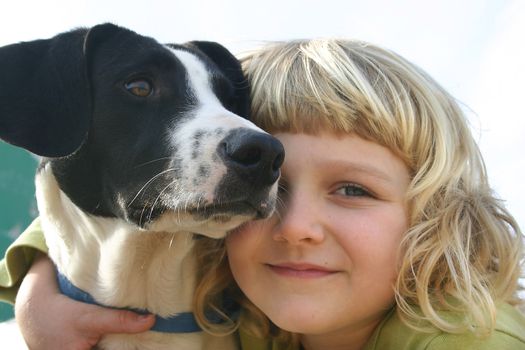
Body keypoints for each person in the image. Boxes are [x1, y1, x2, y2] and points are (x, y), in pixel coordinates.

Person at [1, 38, 525, 349]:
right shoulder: (250, 304)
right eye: (271, 179)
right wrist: (37, 283)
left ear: (436, 215)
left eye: (351, 189)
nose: (294, 226)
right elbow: (108, 191)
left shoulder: (467, 337)